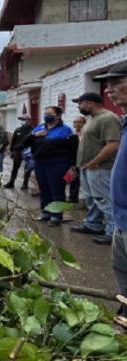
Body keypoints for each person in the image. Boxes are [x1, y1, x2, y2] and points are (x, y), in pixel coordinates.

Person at [93, 60, 127, 320]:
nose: (109, 90)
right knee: (122, 278)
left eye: (116, 83)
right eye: (108, 85)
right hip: (121, 221)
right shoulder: (124, 123)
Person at [70, 93, 121, 245]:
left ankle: (113, 233)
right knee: (91, 199)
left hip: (100, 167)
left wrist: (94, 162)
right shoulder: (93, 119)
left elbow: (113, 144)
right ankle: (93, 224)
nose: (78, 106)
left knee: (104, 199)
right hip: (87, 166)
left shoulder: (108, 118)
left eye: (80, 103)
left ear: (90, 103)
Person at [22, 106, 79, 227]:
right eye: (45, 113)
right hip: (40, 163)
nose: (46, 115)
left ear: (58, 116)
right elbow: (25, 142)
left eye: (50, 113)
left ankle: (56, 215)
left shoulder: (66, 130)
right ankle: (46, 211)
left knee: (57, 189)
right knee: (44, 188)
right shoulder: (40, 128)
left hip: (58, 163)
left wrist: (73, 166)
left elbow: (74, 149)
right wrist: (36, 135)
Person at [4, 114, 34, 189]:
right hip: (18, 151)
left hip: (28, 151)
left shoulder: (33, 130)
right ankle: (11, 182)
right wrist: (11, 150)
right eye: (21, 120)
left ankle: (25, 183)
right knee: (15, 167)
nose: (22, 121)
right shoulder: (18, 130)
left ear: (29, 121)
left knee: (27, 168)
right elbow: (13, 141)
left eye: (24, 120)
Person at [68, 116, 87, 203]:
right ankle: (72, 198)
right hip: (74, 161)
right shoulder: (71, 135)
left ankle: (87, 200)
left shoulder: (87, 134)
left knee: (86, 181)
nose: (77, 124)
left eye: (79, 122)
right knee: (71, 179)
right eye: (75, 122)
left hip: (86, 161)